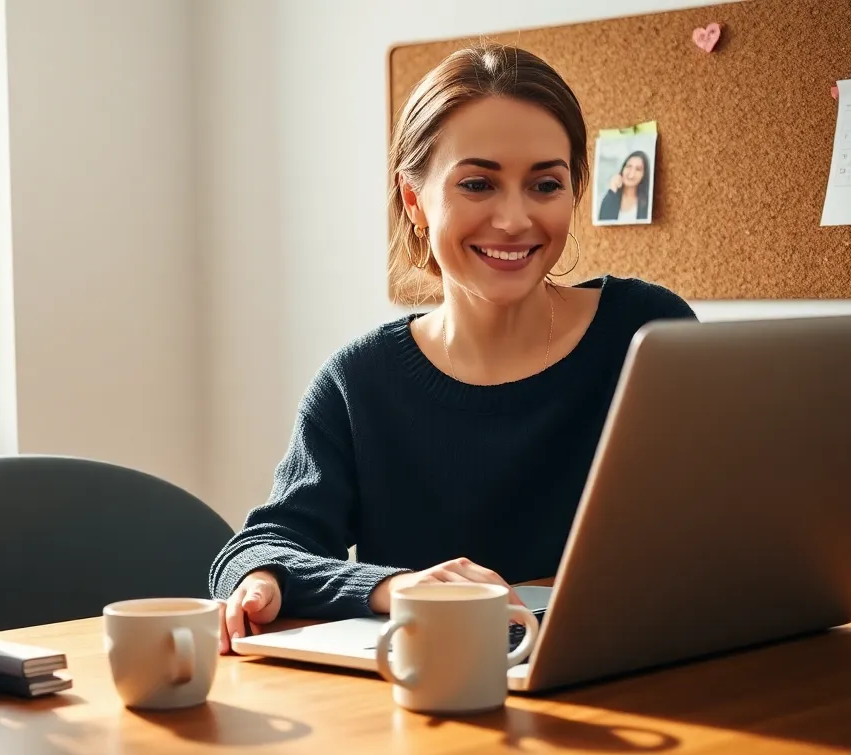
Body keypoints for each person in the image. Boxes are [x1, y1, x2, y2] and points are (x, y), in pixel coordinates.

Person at [206, 44, 696, 654]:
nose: (515, 219)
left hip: (642, 664)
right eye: (477, 184)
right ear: (414, 201)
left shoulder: (648, 332)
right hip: (441, 693)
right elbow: (261, 549)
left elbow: (733, 513)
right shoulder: (360, 381)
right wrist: (398, 586)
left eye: (545, 184)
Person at [596, 150, 650, 223]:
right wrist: (612, 191)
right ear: (623, 169)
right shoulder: (610, 197)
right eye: (628, 166)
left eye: (638, 169)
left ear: (644, 175)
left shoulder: (647, 203)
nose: (632, 173)